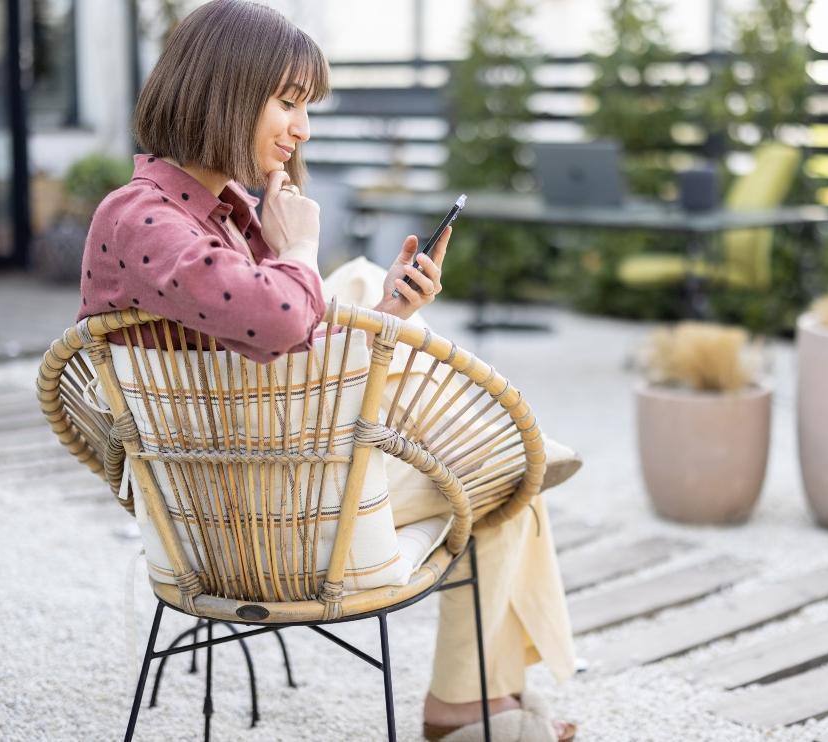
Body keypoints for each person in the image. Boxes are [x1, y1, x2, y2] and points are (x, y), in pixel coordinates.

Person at [77, 2, 578, 740]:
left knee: (375, 309)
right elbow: (280, 323)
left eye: (305, 106)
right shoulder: (141, 216)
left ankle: (475, 705)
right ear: (224, 89)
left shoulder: (210, 219)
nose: (302, 128)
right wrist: (300, 250)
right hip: (243, 518)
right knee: (514, 480)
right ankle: (465, 709)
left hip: (279, 482)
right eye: (288, 101)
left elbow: (275, 367)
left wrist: (386, 312)